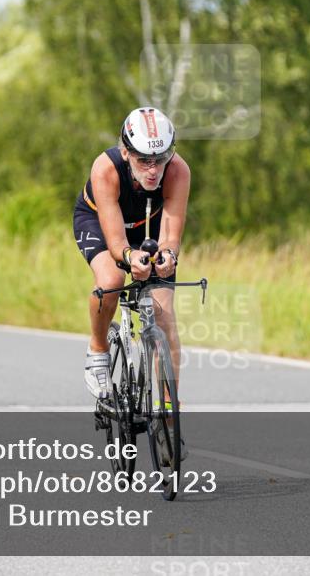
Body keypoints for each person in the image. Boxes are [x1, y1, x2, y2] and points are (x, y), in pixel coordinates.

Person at [73, 107, 190, 415]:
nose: (153, 170)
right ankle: (98, 349)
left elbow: (171, 235)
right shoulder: (106, 168)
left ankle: (167, 403)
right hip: (101, 224)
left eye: (160, 159)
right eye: (144, 160)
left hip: (147, 226)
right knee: (111, 280)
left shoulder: (178, 171)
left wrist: (168, 256)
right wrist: (129, 257)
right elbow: (116, 245)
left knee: (164, 314)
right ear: (126, 152)